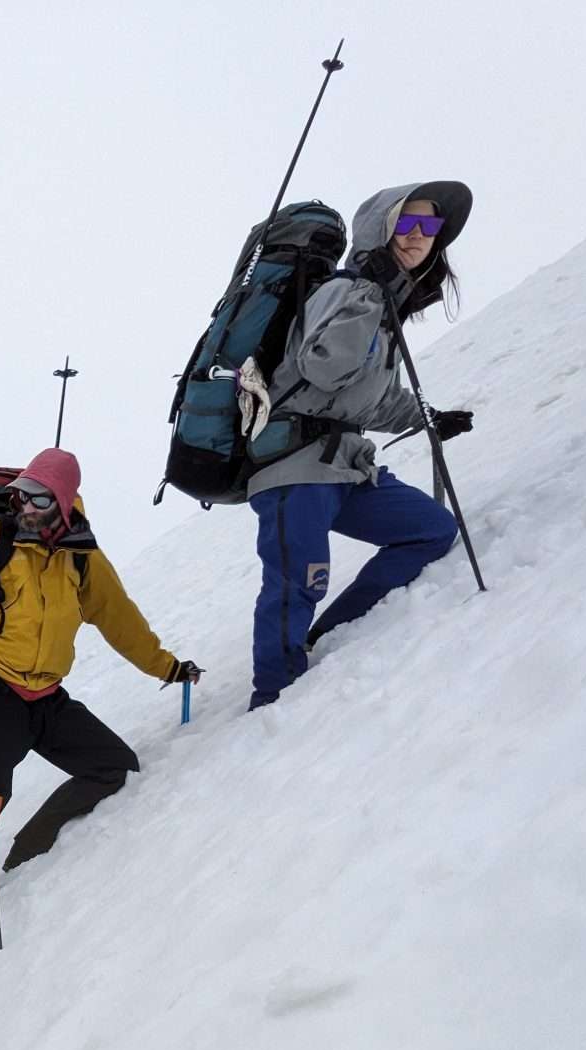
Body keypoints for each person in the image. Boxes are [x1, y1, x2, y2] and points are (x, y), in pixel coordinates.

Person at [0, 447, 198, 928]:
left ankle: (29, 854)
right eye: (22, 494)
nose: (26, 506)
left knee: (114, 767)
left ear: (64, 502)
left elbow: (121, 620)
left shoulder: (81, 557)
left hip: (48, 698)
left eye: (39, 498)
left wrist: (167, 668)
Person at [243, 180, 475, 708]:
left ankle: (332, 638)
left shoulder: (379, 302)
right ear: (382, 227)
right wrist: (368, 301)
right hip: (294, 466)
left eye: (430, 226)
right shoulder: (345, 292)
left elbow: (372, 398)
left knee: (431, 531)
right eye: (407, 223)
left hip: (348, 468)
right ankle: (272, 701)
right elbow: (323, 367)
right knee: (295, 584)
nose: (419, 236)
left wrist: (428, 418)